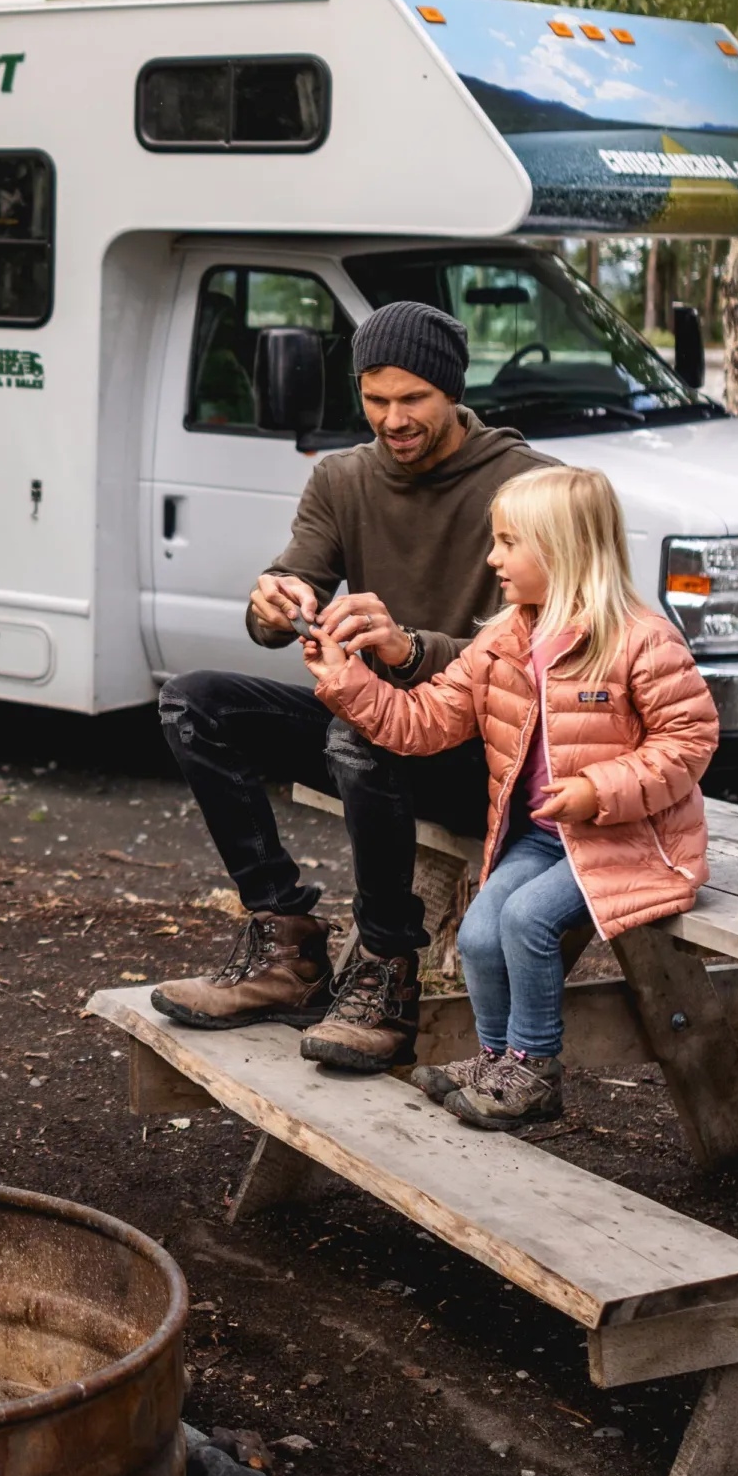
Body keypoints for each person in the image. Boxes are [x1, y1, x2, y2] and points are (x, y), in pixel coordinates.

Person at [147, 300, 552, 1070]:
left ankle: (388, 972)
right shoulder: (343, 478)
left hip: (489, 757)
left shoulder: (529, 485)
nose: (391, 418)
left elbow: (544, 652)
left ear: (453, 392)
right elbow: (285, 591)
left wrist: (408, 650)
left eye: (412, 400)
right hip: (374, 732)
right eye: (374, 398)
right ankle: (287, 946)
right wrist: (275, 599)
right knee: (193, 702)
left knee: (356, 729)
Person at [302, 467, 719, 1130]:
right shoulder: (504, 640)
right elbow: (425, 720)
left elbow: (690, 740)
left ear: (562, 548)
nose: (492, 557)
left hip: (634, 839)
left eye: (507, 542)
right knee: (476, 932)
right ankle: (495, 1056)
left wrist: (596, 789)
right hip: (546, 836)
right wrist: (347, 679)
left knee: (526, 919)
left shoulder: (639, 638)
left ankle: (534, 1068)